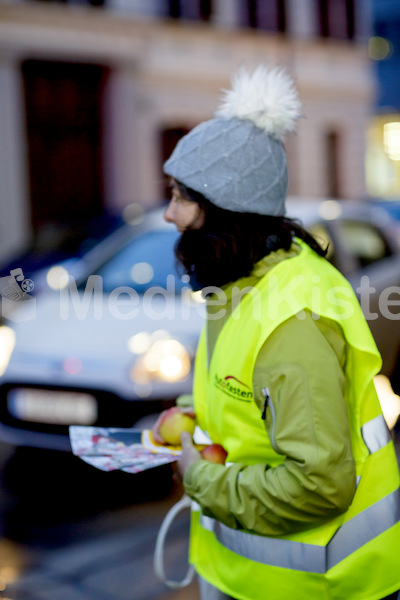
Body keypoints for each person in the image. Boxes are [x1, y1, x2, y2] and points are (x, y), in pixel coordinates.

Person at [153, 65, 400, 600]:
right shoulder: (241, 282)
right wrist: (199, 418)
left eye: (180, 196)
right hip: (251, 579)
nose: (169, 213)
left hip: (319, 587)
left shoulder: (292, 316)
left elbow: (317, 485)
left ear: (224, 211)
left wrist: (197, 474)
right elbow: (252, 401)